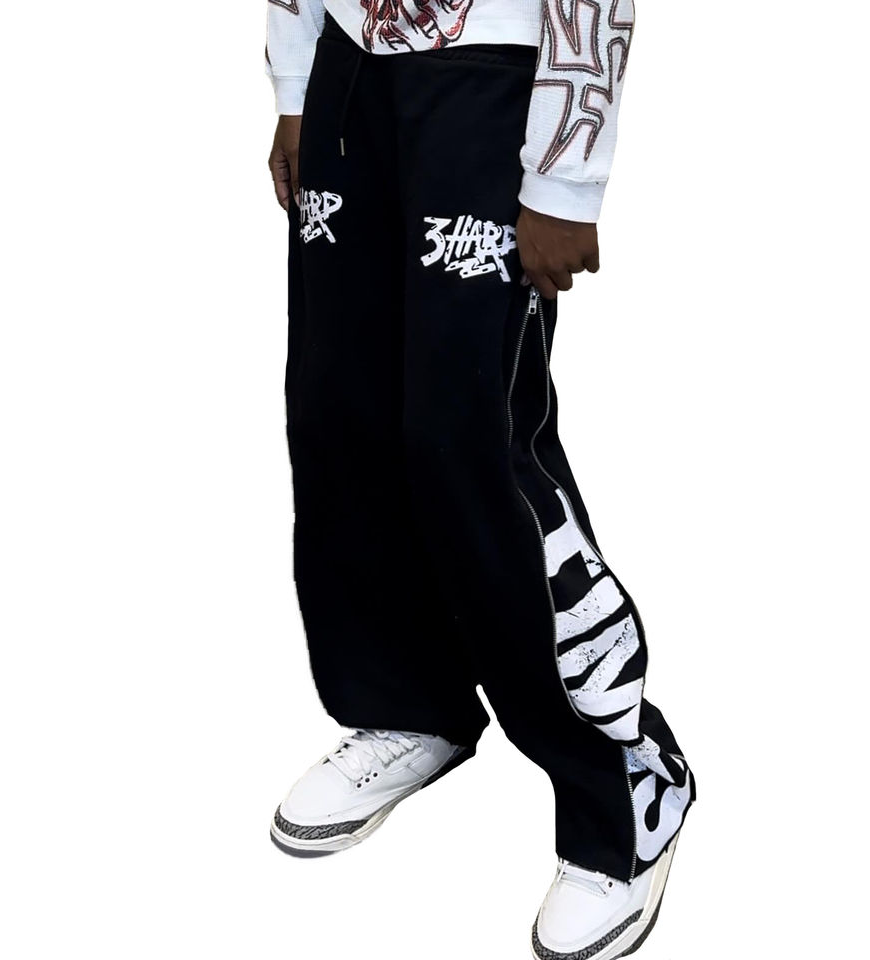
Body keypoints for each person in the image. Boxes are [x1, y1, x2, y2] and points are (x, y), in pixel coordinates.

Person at [265, 2, 695, 957]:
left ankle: (623, 786)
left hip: (492, 74)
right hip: (347, 71)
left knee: (471, 442)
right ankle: (407, 705)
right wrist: (297, 82)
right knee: (340, 413)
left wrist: (566, 171)